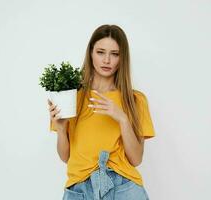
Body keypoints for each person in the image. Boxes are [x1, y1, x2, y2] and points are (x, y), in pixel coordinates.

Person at [47, 24, 155, 200]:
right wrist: (60, 129)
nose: (107, 60)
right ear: (91, 53)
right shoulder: (71, 96)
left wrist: (123, 119)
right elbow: (65, 157)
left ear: (122, 58)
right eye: (100, 52)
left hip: (123, 188)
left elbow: (136, 159)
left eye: (115, 54)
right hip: (79, 189)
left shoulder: (135, 100)